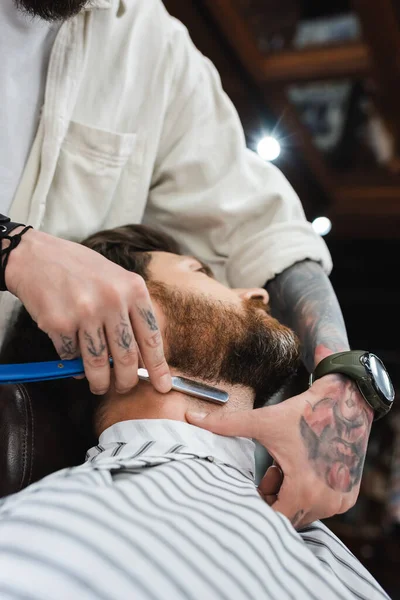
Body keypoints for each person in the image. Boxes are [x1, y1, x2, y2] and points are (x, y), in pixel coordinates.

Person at [0, 0, 380, 526]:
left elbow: (260, 229)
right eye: (201, 271)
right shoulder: (50, 539)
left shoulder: (146, 40)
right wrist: (12, 246)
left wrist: (342, 382)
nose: (257, 294)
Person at [0, 224, 389, 600]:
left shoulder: (294, 514)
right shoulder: (66, 532)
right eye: (201, 272)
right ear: (104, 313)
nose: (258, 293)